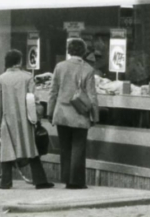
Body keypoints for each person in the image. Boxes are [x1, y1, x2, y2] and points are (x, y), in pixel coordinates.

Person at [0, 49, 54, 190]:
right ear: (19, 61)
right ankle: (40, 180)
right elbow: (34, 99)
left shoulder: (1, 79)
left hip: (8, 118)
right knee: (31, 147)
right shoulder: (27, 77)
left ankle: (5, 181)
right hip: (26, 118)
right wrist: (36, 118)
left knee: (7, 149)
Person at [48, 38, 99, 189]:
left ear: (69, 51)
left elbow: (53, 92)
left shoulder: (60, 66)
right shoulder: (88, 69)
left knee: (65, 148)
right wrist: (95, 116)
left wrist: (50, 112)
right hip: (80, 114)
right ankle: (76, 182)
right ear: (83, 51)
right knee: (78, 146)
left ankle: (66, 179)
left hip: (62, 113)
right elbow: (92, 95)